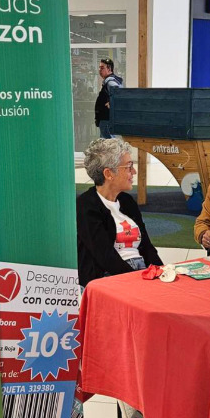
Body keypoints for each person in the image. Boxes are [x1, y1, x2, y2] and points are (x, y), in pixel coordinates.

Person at [77, 138, 162, 287]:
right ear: (108, 173)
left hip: (139, 273)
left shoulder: (127, 201)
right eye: (129, 167)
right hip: (108, 279)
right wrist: (136, 281)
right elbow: (105, 256)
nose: (134, 171)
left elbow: (147, 247)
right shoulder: (86, 205)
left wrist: (162, 271)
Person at [94, 58, 123, 138]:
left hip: (106, 119)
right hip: (107, 118)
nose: (100, 70)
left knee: (109, 143)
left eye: (102, 68)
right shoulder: (109, 81)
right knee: (107, 142)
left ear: (109, 69)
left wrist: (112, 102)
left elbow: (118, 92)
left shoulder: (110, 82)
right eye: (99, 68)